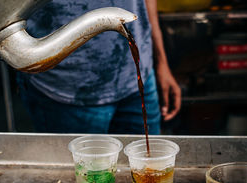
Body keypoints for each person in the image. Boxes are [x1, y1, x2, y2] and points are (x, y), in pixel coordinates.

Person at [17, 0, 181, 134]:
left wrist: (161, 63)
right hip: (66, 89)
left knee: (148, 167)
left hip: (138, 79)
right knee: (79, 173)